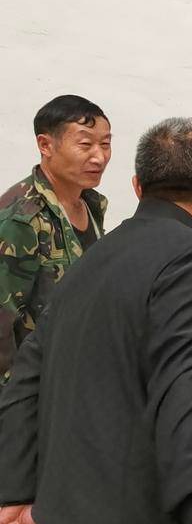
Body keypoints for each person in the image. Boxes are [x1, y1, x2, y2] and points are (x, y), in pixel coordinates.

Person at [0, 118, 192, 524]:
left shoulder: (94, 256)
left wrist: (15, 493)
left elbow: (26, 375)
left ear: (138, 186)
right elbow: (184, 388)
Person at [0, 95, 111, 385]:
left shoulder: (91, 204)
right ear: (45, 145)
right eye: (85, 144)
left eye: (105, 144)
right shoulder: (21, 218)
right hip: (33, 386)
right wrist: (16, 401)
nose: (99, 157)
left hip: (76, 374)